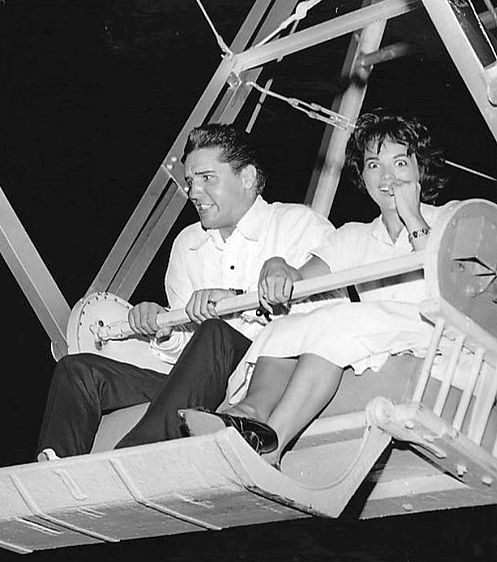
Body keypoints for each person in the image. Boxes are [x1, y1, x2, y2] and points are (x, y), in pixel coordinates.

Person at [36, 123, 336, 459]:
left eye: (208, 178)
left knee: (216, 331)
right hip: (198, 377)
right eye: (191, 181)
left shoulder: (298, 224)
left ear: (248, 178)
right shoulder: (187, 244)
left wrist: (235, 300)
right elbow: (184, 354)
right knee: (78, 372)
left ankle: (139, 455)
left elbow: (330, 313)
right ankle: (55, 469)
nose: (194, 192)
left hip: (264, 370)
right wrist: (162, 330)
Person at [179, 110, 452, 466]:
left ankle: (272, 450)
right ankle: (249, 413)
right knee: (287, 324)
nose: (387, 177)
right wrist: (275, 266)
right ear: (363, 175)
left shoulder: (455, 216)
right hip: (381, 335)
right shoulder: (354, 235)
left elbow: (449, 288)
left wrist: (413, 216)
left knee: (338, 318)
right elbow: (300, 280)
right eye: (373, 165)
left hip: (438, 337)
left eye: (400, 163)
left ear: (420, 168)